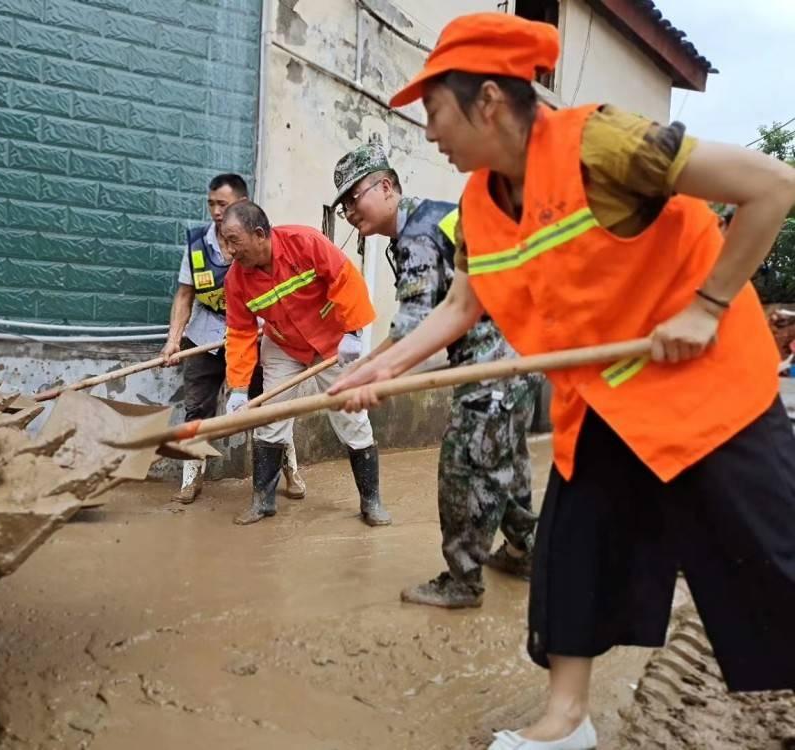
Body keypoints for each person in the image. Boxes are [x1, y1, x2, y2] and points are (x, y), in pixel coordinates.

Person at [330, 12, 795, 750]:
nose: (428, 132)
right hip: (605, 399)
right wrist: (377, 371)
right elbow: (459, 306)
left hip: (704, 384)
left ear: (487, 101)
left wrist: (708, 307)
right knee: (570, 555)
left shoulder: (601, 144)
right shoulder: (480, 203)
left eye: (435, 111)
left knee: (771, 551)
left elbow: (772, 185)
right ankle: (565, 722)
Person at [331, 137, 540, 607]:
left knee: (463, 470)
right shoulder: (435, 215)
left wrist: (369, 376)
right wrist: (369, 368)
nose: (348, 211)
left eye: (353, 196)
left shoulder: (418, 237)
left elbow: (414, 329)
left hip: (492, 366)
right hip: (514, 361)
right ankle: (526, 551)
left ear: (386, 187)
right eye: (342, 204)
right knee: (505, 462)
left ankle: (463, 582)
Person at [220, 200, 392, 527]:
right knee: (271, 417)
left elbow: (347, 281)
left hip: (333, 342)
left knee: (351, 417)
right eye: (225, 242)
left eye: (233, 241)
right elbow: (241, 333)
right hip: (283, 345)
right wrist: (239, 389)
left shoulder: (305, 243)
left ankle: (371, 501)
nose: (229, 252)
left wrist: (353, 332)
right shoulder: (236, 281)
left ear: (259, 234)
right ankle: (262, 502)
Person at [161, 174, 305, 504]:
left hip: (252, 337)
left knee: (269, 409)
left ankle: (290, 469)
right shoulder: (197, 244)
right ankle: (191, 476)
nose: (214, 211)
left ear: (241, 205)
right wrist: (173, 339)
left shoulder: (257, 244)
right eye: (210, 203)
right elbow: (185, 295)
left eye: (222, 204)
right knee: (196, 408)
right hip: (203, 338)